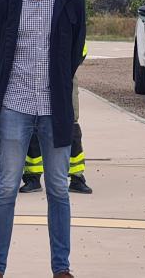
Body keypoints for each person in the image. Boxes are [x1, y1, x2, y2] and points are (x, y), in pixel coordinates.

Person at [0, 0, 86, 278]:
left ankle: (61, 268)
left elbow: (74, 54)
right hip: (15, 104)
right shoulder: (7, 0)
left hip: (54, 107)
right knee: (6, 188)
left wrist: (56, 86)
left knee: (58, 188)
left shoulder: (73, 1)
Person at [20, 44, 92, 195]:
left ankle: (76, 176)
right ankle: (32, 177)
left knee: (71, 127)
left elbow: (81, 48)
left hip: (65, 78)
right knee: (34, 126)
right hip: (35, 80)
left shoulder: (68, 19)